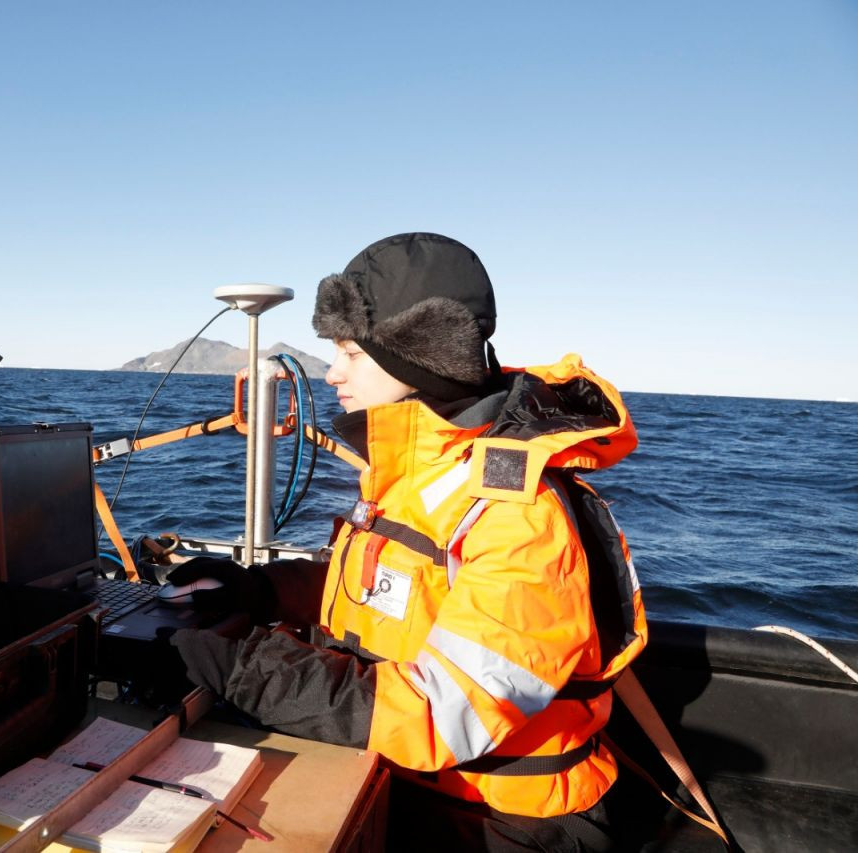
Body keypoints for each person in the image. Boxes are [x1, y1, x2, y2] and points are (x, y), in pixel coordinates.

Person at [165, 232, 649, 851]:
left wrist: (245, 671)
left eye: (351, 353)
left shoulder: (521, 517)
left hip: (503, 823)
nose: (333, 372)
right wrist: (259, 591)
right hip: (405, 779)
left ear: (421, 357)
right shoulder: (422, 473)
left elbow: (450, 713)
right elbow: (385, 592)